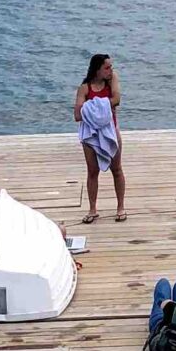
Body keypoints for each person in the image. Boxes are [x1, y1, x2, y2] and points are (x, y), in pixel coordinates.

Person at [74, 52, 125, 224]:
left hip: (111, 129)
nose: (111, 70)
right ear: (97, 70)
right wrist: (98, 106)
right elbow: (77, 114)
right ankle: (92, 209)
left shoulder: (111, 80)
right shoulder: (85, 88)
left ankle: (120, 207)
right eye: (107, 67)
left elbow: (117, 99)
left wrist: (93, 105)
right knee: (92, 171)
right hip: (91, 134)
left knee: (116, 169)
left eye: (111, 67)